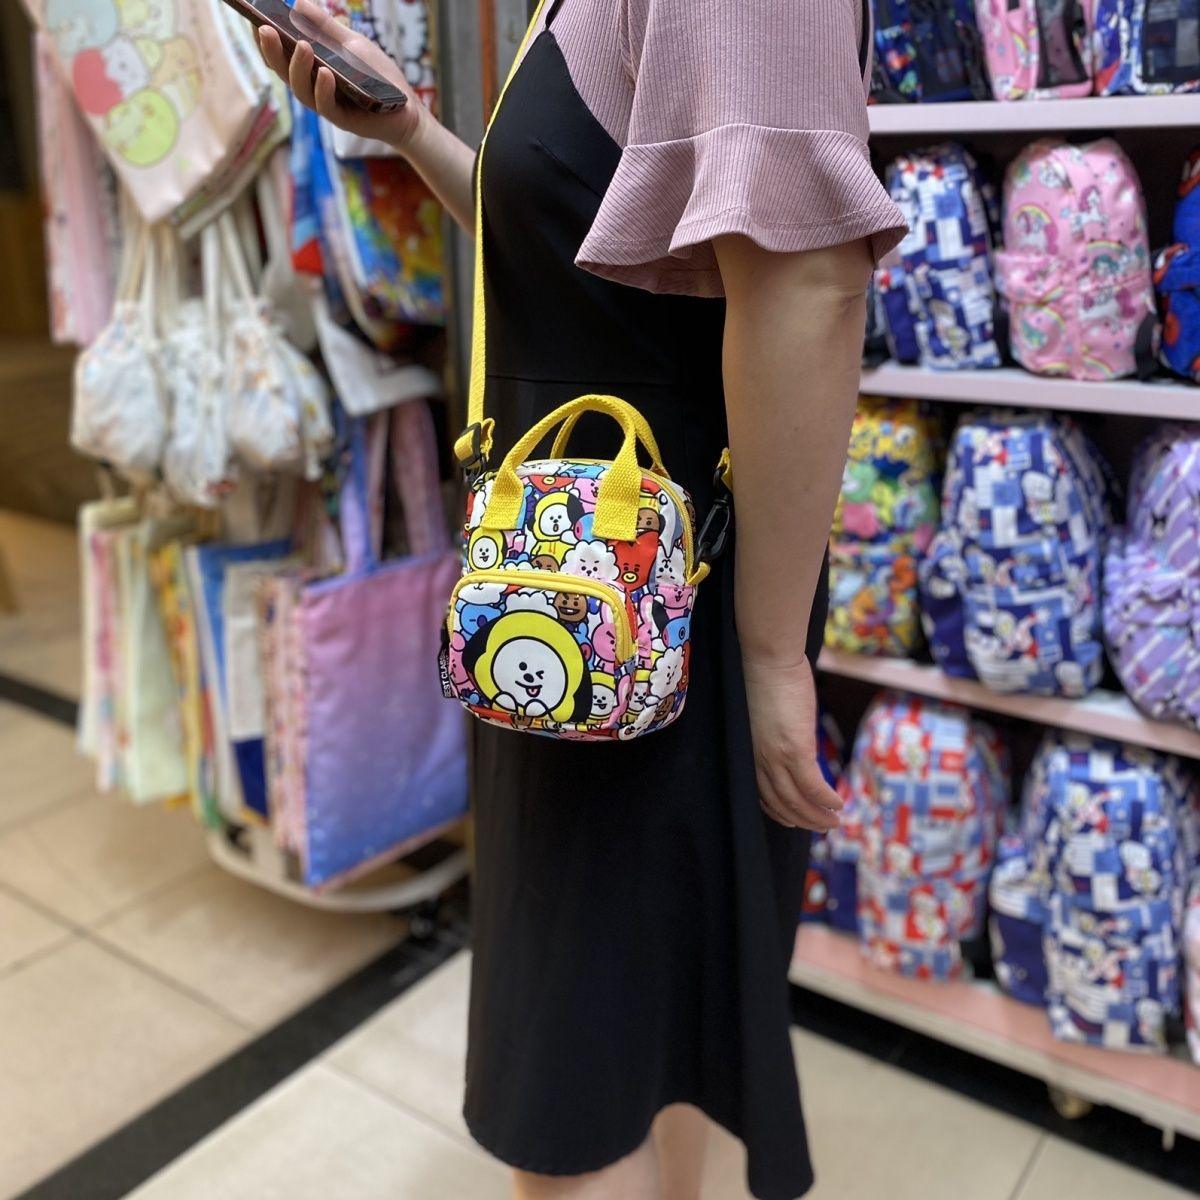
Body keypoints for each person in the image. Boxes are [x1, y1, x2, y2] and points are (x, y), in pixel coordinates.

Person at [260, 1, 905, 1196]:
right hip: (583, 578)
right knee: (638, 1026)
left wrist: (769, 652)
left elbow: (808, 283)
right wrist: (410, 135)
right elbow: (587, 253)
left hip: (645, 593)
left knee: (576, 1061)